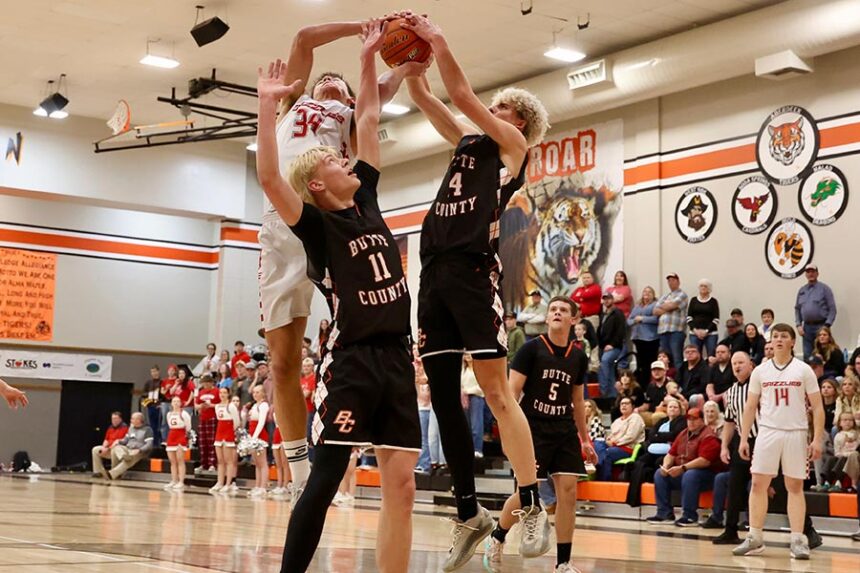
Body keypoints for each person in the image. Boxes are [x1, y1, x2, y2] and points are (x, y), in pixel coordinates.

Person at [257, 26, 421, 572]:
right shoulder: (295, 108)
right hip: (347, 342)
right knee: (283, 364)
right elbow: (301, 38)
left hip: (391, 344)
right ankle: (298, 462)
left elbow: (374, 108)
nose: (333, 84)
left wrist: (384, 55)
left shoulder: (360, 172)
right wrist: (266, 103)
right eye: (325, 80)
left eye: (341, 83)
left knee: (401, 484)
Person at [403, 13, 551, 570]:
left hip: (472, 271)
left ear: (518, 122)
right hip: (433, 272)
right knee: (442, 396)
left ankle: (531, 501)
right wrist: (412, 65)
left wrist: (439, 37)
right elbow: (428, 96)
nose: (492, 110)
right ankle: (469, 511)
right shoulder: (465, 143)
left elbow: (460, 92)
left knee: (494, 391)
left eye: (503, 108)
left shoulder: (511, 148)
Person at [484, 296, 597, 573]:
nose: (557, 313)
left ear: (574, 320)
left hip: (564, 429)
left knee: (568, 493)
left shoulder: (579, 356)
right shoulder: (531, 350)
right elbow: (511, 394)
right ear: (547, 318)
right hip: (532, 428)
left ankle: (563, 562)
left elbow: (578, 401)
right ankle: (497, 535)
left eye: (563, 310)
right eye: (553, 310)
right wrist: (509, 430)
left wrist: (585, 439)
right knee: (527, 494)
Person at [734, 324, 825, 559]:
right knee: (757, 484)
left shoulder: (803, 370)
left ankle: (798, 540)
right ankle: (755, 537)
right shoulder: (760, 371)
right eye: (775, 336)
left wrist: (816, 439)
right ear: (770, 342)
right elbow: (750, 407)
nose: (779, 340)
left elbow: (817, 406)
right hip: (767, 432)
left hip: (795, 432)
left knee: (794, 487)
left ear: (793, 342)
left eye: (784, 336)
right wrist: (744, 438)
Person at [646, 407, 725, 526]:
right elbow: (671, 454)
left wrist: (683, 468)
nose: (691, 422)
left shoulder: (709, 436)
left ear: (702, 420)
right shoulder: (683, 434)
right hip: (685, 472)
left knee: (690, 475)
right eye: (689, 419)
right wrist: (666, 466)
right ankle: (664, 513)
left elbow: (705, 461)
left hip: (707, 475)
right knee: (659, 474)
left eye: (694, 419)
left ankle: (689, 516)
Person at [712, 352, 756, 545]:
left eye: (741, 362)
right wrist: (724, 446)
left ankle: (805, 528)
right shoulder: (730, 392)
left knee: (778, 486)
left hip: (763, 439)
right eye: (734, 363)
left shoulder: (761, 386)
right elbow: (729, 422)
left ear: (751, 365)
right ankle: (730, 530)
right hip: (741, 441)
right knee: (734, 486)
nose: (737, 366)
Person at [625, 397, 687, 507]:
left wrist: (659, 435)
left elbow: (675, 435)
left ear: (680, 410)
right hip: (651, 451)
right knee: (639, 462)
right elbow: (651, 436)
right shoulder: (662, 421)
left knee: (658, 462)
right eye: (670, 407)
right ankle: (634, 498)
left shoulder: (682, 421)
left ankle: (658, 492)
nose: (672, 409)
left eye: (675, 407)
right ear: (666, 409)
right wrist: (664, 436)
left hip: (668, 454)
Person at [795, 264, 837, 360]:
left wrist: (827, 325)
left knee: (823, 354)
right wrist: (798, 325)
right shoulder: (802, 290)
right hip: (806, 328)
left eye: (813, 272)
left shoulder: (824, 289)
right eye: (808, 272)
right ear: (805, 274)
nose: (810, 274)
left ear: (817, 273)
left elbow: (832, 309)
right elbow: (797, 309)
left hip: (821, 326)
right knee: (808, 355)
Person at [598, 397, 645, 480]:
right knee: (597, 444)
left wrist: (614, 443)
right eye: (622, 404)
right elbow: (611, 435)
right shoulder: (617, 421)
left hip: (627, 448)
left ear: (633, 406)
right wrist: (609, 440)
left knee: (607, 453)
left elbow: (630, 437)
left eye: (626, 403)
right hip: (614, 446)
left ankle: (604, 479)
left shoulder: (636, 418)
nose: (623, 405)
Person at [654, 273, 689, 371]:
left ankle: (679, 381)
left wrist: (666, 306)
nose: (671, 282)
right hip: (663, 331)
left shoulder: (682, 295)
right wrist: (668, 307)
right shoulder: (665, 296)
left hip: (676, 331)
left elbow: (671, 305)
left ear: (678, 281)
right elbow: (655, 311)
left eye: (673, 280)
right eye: (669, 280)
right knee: (664, 359)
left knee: (677, 358)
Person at [108, 412, 154, 481]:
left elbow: (149, 444)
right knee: (116, 448)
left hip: (140, 451)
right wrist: (118, 441)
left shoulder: (147, 429)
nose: (131, 420)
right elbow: (125, 440)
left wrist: (139, 450)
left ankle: (112, 474)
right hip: (128, 448)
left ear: (139, 420)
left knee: (131, 457)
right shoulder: (131, 428)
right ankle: (124, 456)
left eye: (132, 419)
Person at [211, 387, 240, 494]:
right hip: (219, 433)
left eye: (224, 393)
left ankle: (228, 483)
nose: (222, 394)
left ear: (228, 394)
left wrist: (230, 432)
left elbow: (236, 422)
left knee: (229, 460)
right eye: (221, 393)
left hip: (228, 434)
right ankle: (219, 482)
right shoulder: (217, 406)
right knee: (220, 460)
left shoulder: (231, 406)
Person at [628, 287, 659, 387]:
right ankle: (642, 385)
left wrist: (643, 319)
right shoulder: (637, 306)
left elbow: (657, 319)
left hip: (651, 338)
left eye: (649, 292)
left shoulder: (655, 305)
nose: (647, 293)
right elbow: (629, 320)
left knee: (650, 362)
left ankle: (650, 384)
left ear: (653, 294)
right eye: (645, 291)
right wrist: (634, 321)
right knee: (640, 364)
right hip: (638, 338)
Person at [820, 412, 859, 491]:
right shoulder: (838, 436)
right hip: (841, 456)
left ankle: (838, 483)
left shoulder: (857, 435)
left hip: (852, 457)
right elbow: (837, 452)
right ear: (840, 423)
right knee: (831, 458)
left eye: (850, 420)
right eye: (845, 420)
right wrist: (842, 454)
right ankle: (827, 482)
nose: (848, 422)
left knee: (843, 459)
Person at [598, 292, 626, 398]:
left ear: (612, 300)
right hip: (603, 347)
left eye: (608, 299)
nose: (606, 301)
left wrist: (612, 345)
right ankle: (612, 395)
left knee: (605, 362)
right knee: (607, 369)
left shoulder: (618, 313)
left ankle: (604, 390)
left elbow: (621, 331)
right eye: (604, 299)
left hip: (614, 346)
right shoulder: (603, 314)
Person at [686, 279, 720, 359]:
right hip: (694, 334)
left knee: (711, 356)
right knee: (695, 356)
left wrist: (706, 331)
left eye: (705, 286)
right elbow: (689, 317)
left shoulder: (713, 301)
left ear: (709, 289)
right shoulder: (693, 300)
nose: (703, 288)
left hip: (711, 334)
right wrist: (695, 330)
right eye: (701, 286)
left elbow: (716, 319)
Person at [164, 396, 192, 491]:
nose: (176, 403)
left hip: (180, 436)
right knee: (172, 461)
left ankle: (181, 481)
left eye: (177, 401)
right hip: (171, 436)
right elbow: (169, 425)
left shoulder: (184, 414)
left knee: (180, 460)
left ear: (180, 403)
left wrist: (186, 437)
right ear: (171, 403)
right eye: (174, 401)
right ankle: (174, 480)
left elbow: (188, 427)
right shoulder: (169, 414)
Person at [460, 354, 485, 458]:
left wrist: (468, 391)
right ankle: (467, 449)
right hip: (464, 398)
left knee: (476, 424)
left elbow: (482, 386)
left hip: (476, 397)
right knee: (466, 425)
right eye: (465, 355)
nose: (467, 356)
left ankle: (477, 449)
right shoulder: (463, 369)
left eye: (469, 354)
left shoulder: (479, 369)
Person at [91, 411, 128, 479]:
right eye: (112, 419)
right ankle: (98, 472)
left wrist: (107, 449)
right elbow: (106, 439)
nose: (114, 421)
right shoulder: (110, 427)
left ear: (120, 419)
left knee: (115, 449)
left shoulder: (124, 428)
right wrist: (103, 447)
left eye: (116, 419)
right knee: (95, 449)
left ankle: (114, 473)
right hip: (108, 449)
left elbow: (118, 442)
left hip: (116, 449)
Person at [195, 373, 220, 472]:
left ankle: (212, 463)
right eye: (203, 384)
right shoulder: (201, 392)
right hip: (203, 418)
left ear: (210, 383)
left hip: (213, 418)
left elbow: (220, 404)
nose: (205, 385)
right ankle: (203, 463)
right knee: (202, 442)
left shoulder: (216, 391)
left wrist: (211, 405)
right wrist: (201, 406)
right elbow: (196, 405)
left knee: (212, 442)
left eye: (206, 383)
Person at [141, 365, 162, 445]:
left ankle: (160, 443)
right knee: (152, 426)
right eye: (152, 372)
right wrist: (150, 394)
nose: (154, 373)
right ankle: (154, 443)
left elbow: (164, 394)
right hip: (150, 406)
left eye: (155, 371)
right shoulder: (148, 383)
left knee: (160, 426)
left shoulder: (162, 382)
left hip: (159, 406)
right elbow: (143, 393)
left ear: (158, 372)